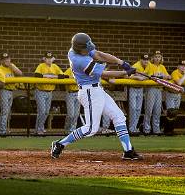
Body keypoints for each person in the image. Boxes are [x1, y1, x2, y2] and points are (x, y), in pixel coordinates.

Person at [50, 32, 142, 160]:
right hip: (89, 93)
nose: (89, 50)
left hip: (97, 90)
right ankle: (59, 144)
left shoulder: (78, 50)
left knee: (119, 117)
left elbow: (99, 55)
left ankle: (128, 151)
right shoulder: (79, 60)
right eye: (86, 49)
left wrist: (121, 62)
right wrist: (126, 72)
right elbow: (105, 74)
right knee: (91, 129)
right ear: (79, 49)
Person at [34, 52, 65, 135]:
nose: (49, 60)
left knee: (46, 112)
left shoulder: (55, 67)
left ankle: (39, 128)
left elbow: (63, 76)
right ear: (44, 59)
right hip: (40, 91)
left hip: (50, 92)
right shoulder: (41, 66)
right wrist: (51, 77)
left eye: (50, 58)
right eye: (47, 58)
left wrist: (50, 76)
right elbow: (37, 75)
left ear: (53, 59)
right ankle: (39, 129)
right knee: (42, 111)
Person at [143, 51, 171, 135]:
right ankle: (146, 130)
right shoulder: (150, 65)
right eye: (155, 56)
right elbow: (151, 77)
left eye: (159, 56)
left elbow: (169, 77)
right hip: (151, 89)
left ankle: (156, 130)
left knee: (157, 111)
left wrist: (162, 77)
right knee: (149, 110)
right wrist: (162, 77)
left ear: (161, 58)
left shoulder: (162, 67)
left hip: (159, 90)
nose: (157, 58)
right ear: (153, 58)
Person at [0, 53, 22, 137]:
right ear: (1, 61)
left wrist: (12, 66)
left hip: (11, 91)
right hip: (3, 91)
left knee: (7, 112)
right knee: (5, 111)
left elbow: (20, 74)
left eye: (8, 58)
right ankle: (2, 131)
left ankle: (0, 128)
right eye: (4, 59)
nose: (7, 60)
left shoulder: (12, 66)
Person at [127, 53, 149, 134]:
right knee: (133, 108)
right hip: (133, 88)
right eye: (144, 59)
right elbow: (127, 76)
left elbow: (149, 75)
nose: (145, 61)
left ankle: (134, 128)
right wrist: (137, 77)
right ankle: (131, 128)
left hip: (141, 89)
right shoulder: (135, 66)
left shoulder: (149, 65)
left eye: (147, 59)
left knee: (138, 109)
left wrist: (144, 77)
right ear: (140, 60)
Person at [63, 67, 80, 134]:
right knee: (71, 114)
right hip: (70, 93)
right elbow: (63, 76)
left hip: (79, 93)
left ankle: (72, 130)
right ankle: (67, 129)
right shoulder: (70, 70)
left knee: (76, 114)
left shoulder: (81, 69)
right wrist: (70, 78)